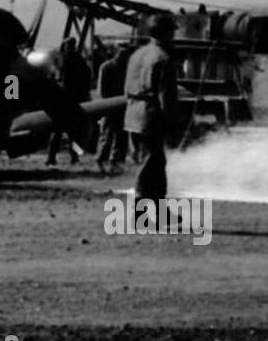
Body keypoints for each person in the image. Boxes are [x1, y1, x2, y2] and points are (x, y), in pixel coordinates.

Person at [123, 13, 178, 201]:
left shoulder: (137, 54)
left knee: (154, 162)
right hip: (151, 117)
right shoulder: (163, 58)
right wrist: (172, 124)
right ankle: (141, 212)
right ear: (165, 33)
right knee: (151, 163)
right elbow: (166, 96)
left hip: (132, 114)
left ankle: (159, 210)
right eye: (172, 32)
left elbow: (126, 87)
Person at [46, 38, 91, 166]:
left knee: (57, 132)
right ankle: (75, 157)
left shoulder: (60, 60)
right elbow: (87, 80)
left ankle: (51, 157)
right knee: (74, 133)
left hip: (60, 101)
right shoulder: (80, 60)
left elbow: (52, 79)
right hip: (75, 100)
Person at [96, 41, 135, 169]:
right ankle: (101, 160)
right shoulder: (106, 67)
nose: (124, 56)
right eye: (122, 53)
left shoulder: (127, 69)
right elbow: (102, 90)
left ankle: (115, 161)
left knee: (121, 136)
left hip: (122, 106)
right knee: (107, 135)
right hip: (110, 105)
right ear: (117, 53)